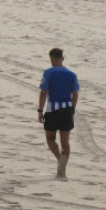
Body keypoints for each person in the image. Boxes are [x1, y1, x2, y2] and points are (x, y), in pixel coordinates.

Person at [38, 47, 80, 180]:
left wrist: (40, 110)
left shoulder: (49, 73)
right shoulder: (72, 74)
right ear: (62, 58)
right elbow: (75, 93)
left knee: (50, 139)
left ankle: (60, 160)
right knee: (65, 142)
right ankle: (62, 170)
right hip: (67, 109)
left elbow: (44, 92)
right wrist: (72, 107)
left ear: (51, 58)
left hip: (53, 109)